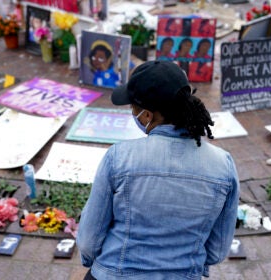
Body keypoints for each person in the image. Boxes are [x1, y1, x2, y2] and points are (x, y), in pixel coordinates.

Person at [77, 60, 240, 280]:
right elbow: (217, 250)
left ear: (147, 115)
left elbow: (89, 240)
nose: (133, 114)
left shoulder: (118, 157)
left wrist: (94, 263)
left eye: (133, 108)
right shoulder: (223, 165)